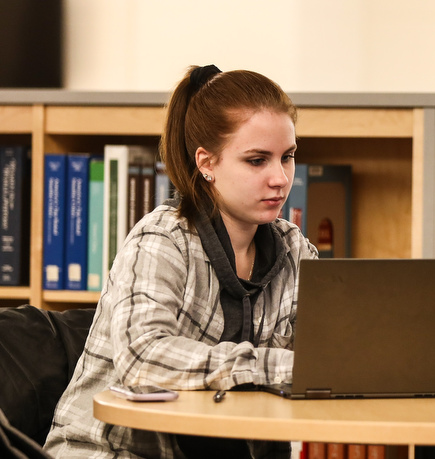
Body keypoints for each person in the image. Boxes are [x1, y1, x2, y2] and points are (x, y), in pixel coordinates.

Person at [44, 65, 317, 458]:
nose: (280, 178)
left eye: (287, 157)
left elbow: (330, 356)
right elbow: (143, 359)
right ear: (206, 163)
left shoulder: (294, 251)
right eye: (257, 161)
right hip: (108, 451)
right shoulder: (162, 238)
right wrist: (270, 367)